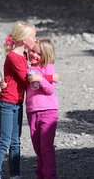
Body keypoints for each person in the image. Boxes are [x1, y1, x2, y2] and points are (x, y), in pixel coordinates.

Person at [0, 21, 36, 179]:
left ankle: (15, 174)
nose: (35, 41)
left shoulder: (23, 55)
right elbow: (26, 80)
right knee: (4, 141)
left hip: (17, 103)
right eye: (33, 37)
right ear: (24, 39)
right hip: (7, 103)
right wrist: (47, 79)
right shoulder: (14, 57)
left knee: (15, 142)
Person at [26, 37, 59, 179]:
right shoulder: (28, 68)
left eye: (39, 54)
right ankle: (40, 175)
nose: (34, 55)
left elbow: (51, 90)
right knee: (38, 148)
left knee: (46, 148)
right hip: (32, 112)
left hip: (48, 111)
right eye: (32, 51)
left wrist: (41, 79)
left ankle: (49, 176)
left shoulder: (47, 67)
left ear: (45, 56)